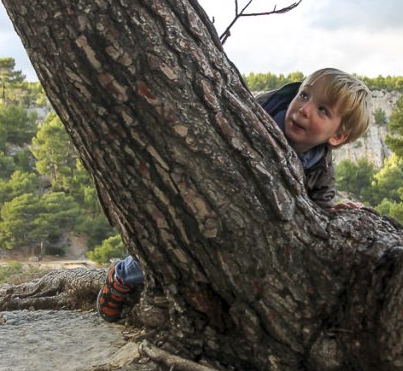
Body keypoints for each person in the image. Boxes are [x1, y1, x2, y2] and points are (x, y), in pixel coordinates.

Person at [97, 67, 371, 322]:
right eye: (304, 95)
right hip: (206, 196)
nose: (304, 109)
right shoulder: (254, 112)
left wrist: (334, 214)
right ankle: (123, 273)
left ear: (337, 137)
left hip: (248, 225)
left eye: (322, 110)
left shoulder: (320, 169)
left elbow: (317, 211)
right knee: (181, 242)